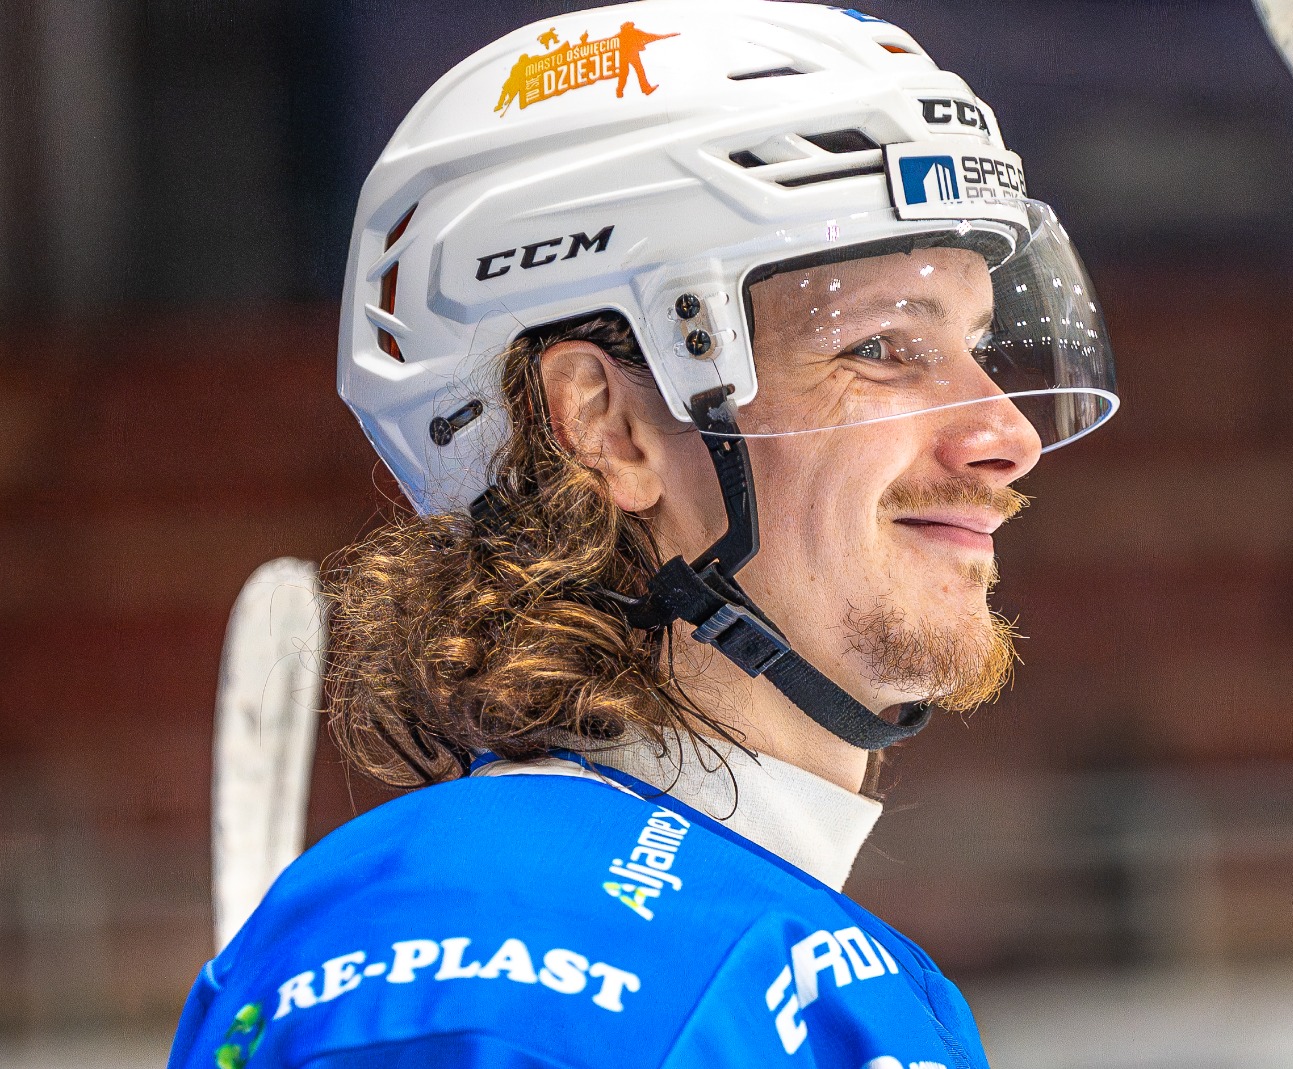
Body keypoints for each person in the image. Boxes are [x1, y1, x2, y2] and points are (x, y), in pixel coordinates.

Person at [169, 1, 1117, 1067]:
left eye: (979, 344)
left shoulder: (427, 930)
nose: (1005, 436)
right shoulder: (607, 985)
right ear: (609, 427)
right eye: (881, 347)